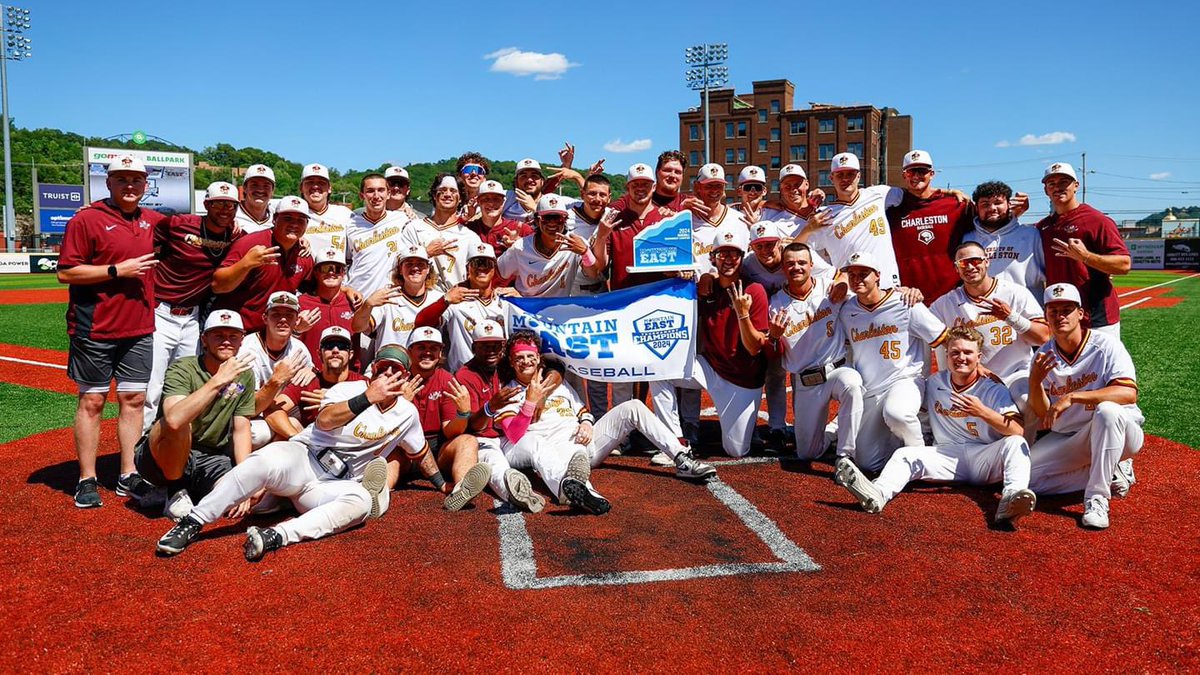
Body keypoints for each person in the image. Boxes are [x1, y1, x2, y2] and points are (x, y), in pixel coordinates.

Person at [155, 346, 423, 561]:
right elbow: (326, 420)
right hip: (305, 458)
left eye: (396, 370)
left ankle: (277, 535)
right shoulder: (348, 389)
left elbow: (420, 451)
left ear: (406, 377)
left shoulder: (408, 413)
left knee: (361, 501)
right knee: (263, 460)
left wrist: (443, 485)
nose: (388, 373)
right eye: (382, 367)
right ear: (372, 369)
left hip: (332, 485)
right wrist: (368, 397)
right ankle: (194, 520)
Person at [834, 326, 1037, 527]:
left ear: (979, 357)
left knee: (1016, 443)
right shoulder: (933, 382)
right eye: (955, 352)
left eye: (968, 352)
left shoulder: (993, 388)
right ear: (946, 355)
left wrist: (982, 411)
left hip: (983, 455)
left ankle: (1010, 498)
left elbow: (1018, 430)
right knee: (906, 455)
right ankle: (877, 493)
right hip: (946, 454)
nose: (961, 358)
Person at [496, 331, 716, 515]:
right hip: (544, 447)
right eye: (519, 358)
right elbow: (514, 435)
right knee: (538, 443)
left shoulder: (555, 384)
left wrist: (587, 423)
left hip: (580, 441)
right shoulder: (508, 391)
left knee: (633, 407)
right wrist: (530, 403)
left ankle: (681, 458)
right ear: (511, 362)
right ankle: (580, 494)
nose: (526, 361)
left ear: (538, 358)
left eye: (530, 356)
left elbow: (582, 410)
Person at [57, 154, 165, 507]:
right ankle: (87, 479)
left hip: (139, 327)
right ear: (109, 182)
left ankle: (127, 474)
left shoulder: (154, 221)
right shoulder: (87, 219)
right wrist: (117, 270)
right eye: (122, 179)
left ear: (146, 184)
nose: (130, 185)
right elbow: (67, 273)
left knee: (133, 401)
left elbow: (196, 233)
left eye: (136, 179)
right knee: (92, 401)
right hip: (96, 327)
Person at [1027, 283, 1143, 530]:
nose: (1060, 316)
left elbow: (1128, 393)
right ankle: (1110, 471)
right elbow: (1042, 414)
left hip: (1122, 433)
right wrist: (1034, 381)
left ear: (1080, 313)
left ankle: (1097, 498)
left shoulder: (1106, 345)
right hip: (1071, 437)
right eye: (1053, 310)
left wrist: (1073, 397)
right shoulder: (1043, 356)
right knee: (1024, 478)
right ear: (1046, 315)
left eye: (1067, 309)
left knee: (1108, 410)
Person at [651, 225, 770, 458]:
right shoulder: (705, 288)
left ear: (742, 258)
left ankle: (744, 428)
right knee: (658, 369)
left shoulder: (754, 291)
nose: (729, 259)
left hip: (742, 380)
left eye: (734, 254)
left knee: (736, 450)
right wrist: (683, 276)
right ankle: (674, 443)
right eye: (722, 253)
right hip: (711, 369)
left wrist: (742, 313)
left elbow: (755, 348)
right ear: (712, 258)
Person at [135, 310, 257, 521]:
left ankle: (175, 490)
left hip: (210, 457)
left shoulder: (245, 374)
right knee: (182, 422)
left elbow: (241, 429)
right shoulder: (184, 368)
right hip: (160, 452)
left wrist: (244, 481)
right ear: (204, 340)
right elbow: (173, 419)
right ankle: (174, 490)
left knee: (233, 501)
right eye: (218, 335)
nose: (226, 341)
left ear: (241, 341)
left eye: (233, 336)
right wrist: (218, 380)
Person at [142, 181, 242, 431]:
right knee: (150, 390)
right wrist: (100, 208)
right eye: (218, 203)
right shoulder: (178, 224)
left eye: (230, 205)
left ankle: (178, 448)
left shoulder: (236, 235)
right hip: (161, 313)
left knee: (187, 386)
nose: (225, 209)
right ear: (206, 205)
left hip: (192, 318)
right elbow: (142, 223)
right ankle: (137, 456)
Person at [838, 251, 947, 472]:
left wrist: (942, 382)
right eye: (852, 274)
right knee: (867, 463)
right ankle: (899, 447)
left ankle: (921, 461)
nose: (857, 278)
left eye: (864, 273)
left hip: (905, 380)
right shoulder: (847, 310)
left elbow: (942, 338)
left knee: (898, 414)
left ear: (878, 275)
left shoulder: (906, 303)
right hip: (871, 390)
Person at [930, 241, 1050, 436]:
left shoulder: (1014, 292)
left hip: (1015, 372)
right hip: (974, 377)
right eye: (963, 263)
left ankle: (1028, 452)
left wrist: (1011, 318)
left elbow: (1043, 336)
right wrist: (910, 293)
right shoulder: (946, 302)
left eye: (975, 260)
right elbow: (925, 326)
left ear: (987, 262)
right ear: (956, 268)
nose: (970, 266)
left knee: (1026, 400)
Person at [766, 242, 863, 460]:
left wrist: (844, 282)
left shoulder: (830, 289)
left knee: (853, 385)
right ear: (783, 268)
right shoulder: (775, 304)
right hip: (806, 381)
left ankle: (845, 457)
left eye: (802, 262)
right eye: (790, 264)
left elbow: (865, 297)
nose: (796, 267)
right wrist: (773, 335)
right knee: (806, 454)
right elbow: (771, 353)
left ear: (811, 264)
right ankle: (833, 431)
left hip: (837, 369)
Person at [454, 319, 543, 512]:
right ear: (473, 347)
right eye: (485, 346)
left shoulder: (508, 364)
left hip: (509, 435)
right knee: (497, 466)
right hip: (484, 439)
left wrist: (543, 396)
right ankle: (517, 495)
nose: (491, 350)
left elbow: (554, 367)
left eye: (496, 345)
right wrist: (490, 407)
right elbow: (472, 426)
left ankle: (564, 483)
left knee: (539, 443)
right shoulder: (465, 375)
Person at [400, 327, 490, 511]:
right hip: (403, 450)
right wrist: (401, 407)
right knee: (388, 462)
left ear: (441, 353)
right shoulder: (397, 377)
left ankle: (461, 489)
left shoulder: (447, 379)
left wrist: (463, 414)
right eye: (421, 347)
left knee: (468, 441)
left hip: (437, 448)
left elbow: (450, 430)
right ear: (409, 351)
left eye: (433, 348)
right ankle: (377, 496)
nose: (427, 352)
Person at [1036, 163, 1131, 339]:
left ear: (1076, 186)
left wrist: (1086, 257)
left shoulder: (1097, 220)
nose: (1058, 187)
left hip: (1096, 315)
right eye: (1052, 183)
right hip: (1060, 314)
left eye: (1064, 182)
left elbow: (1124, 265)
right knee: (1065, 365)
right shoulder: (1044, 227)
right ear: (1046, 190)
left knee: (1104, 366)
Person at [795, 153, 903, 289]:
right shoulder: (824, 215)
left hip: (889, 287)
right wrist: (832, 274)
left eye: (850, 174)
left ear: (859, 176)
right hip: (851, 293)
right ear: (831, 178)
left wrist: (937, 192)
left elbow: (915, 195)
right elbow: (796, 250)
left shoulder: (879, 194)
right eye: (840, 175)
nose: (845, 179)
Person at [212, 195, 315, 333]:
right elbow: (217, 285)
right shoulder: (251, 243)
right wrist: (246, 264)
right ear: (274, 219)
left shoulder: (304, 254)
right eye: (288, 218)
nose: (294, 224)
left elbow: (314, 290)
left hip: (274, 336)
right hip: (237, 332)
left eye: (300, 220)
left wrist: (345, 290)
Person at [885, 150, 975, 301]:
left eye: (922, 171)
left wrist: (1015, 214)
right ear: (904, 175)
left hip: (953, 297)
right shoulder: (891, 210)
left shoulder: (955, 204)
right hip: (910, 297)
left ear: (932, 173)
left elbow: (988, 227)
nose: (916, 176)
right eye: (911, 171)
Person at [236, 292, 316, 447]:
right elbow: (249, 409)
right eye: (276, 314)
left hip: (284, 410)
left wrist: (313, 372)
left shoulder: (299, 349)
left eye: (289, 315)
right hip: (251, 416)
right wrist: (276, 380)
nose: (283, 320)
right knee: (257, 435)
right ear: (265, 318)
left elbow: (307, 388)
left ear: (297, 320)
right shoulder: (248, 349)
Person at [414, 243, 507, 371]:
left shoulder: (505, 301)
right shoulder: (455, 300)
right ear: (467, 268)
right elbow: (420, 323)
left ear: (494, 269)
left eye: (487, 263)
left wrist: (519, 297)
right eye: (476, 263)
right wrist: (445, 301)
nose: (481, 268)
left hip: (498, 377)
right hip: (462, 378)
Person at [742, 221, 789, 449]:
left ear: (780, 242)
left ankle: (779, 426)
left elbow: (826, 272)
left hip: (791, 321)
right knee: (762, 373)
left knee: (779, 376)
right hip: (761, 326)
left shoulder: (792, 256)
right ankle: (755, 426)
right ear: (752, 247)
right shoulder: (748, 263)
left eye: (770, 244)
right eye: (759, 246)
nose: (766, 250)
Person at [497, 194, 598, 297]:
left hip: (558, 308)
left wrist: (585, 252)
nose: (552, 223)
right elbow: (498, 272)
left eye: (558, 218)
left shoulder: (575, 243)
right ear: (537, 220)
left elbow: (593, 274)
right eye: (547, 218)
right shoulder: (520, 247)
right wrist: (512, 290)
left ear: (565, 220)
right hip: (527, 307)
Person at [270, 326, 365, 437]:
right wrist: (295, 436)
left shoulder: (362, 383)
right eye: (329, 346)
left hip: (351, 443)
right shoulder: (307, 380)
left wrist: (334, 399)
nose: (335, 350)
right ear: (319, 354)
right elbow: (273, 409)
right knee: (289, 423)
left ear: (351, 354)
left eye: (342, 346)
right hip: (313, 443)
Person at [353, 245, 443, 354]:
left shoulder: (439, 298)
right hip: (389, 367)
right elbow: (358, 327)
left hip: (424, 365)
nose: (415, 268)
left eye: (420, 264)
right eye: (409, 264)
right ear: (400, 269)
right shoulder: (387, 295)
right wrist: (367, 305)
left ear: (428, 269)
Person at [402, 174, 483, 292]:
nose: (448, 194)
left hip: (456, 302)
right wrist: (426, 253)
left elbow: (478, 276)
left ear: (460, 198)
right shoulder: (413, 228)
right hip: (419, 302)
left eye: (453, 191)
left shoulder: (470, 237)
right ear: (434, 195)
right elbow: (398, 264)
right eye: (442, 190)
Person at [961, 181, 1044, 294]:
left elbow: (1051, 273)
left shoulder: (1032, 234)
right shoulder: (966, 240)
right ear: (976, 208)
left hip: (1027, 309)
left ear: (1009, 204)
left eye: (998, 202)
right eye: (985, 204)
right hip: (983, 308)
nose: (992, 208)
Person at [346, 173, 411, 299]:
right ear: (362, 195)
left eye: (381, 190)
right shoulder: (350, 224)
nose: (376, 196)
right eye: (370, 191)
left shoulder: (403, 220)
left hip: (391, 297)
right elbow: (345, 263)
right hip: (358, 296)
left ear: (388, 194)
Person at [296, 247, 357, 367]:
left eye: (337, 269)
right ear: (316, 272)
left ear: (344, 273)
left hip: (347, 377)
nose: (331, 272)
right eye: (325, 268)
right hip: (309, 376)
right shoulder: (301, 303)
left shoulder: (354, 302)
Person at [299, 163, 353, 256]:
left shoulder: (344, 213)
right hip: (305, 270)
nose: (315, 186)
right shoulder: (293, 216)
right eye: (310, 182)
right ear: (301, 188)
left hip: (338, 269)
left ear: (329, 188)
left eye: (321, 183)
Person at [474, 179, 531, 256]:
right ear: (479, 202)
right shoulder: (469, 228)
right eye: (486, 199)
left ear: (503, 202)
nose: (491, 203)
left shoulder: (519, 228)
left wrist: (521, 244)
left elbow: (543, 250)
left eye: (496, 199)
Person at [234, 164, 275, 233]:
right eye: (254, 185)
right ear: (245, 188)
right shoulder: (232, 215)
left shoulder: (278, 218)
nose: (260, 190)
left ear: (272, 191)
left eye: (266, 186)